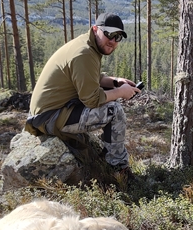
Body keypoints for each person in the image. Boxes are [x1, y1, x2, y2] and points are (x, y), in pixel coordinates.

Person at [25, 13, 140, 172]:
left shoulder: (86, 44)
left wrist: (115, 82)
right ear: (95, 29)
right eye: (109, 34)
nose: (113, 41)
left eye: (118, 37)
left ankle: (107, 152)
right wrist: (120, 92)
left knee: (109, 95)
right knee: (115, 110)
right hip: (49, 118)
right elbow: (92, 100)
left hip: (48, 112)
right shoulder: (84, 53)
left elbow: (88, 77)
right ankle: (118, 169)